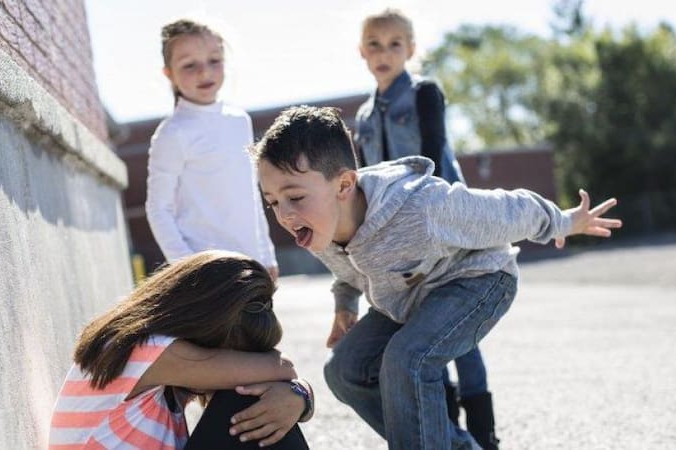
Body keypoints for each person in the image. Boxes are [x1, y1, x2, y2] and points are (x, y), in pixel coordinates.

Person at [251, 106, 622, 450]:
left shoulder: (421, 207)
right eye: (272, 202)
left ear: (344, 186)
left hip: (478, 280)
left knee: (407, 360)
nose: (283, 214)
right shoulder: (320, 225)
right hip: (409, 297)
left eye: (294, 197)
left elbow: (508, 209)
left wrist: (565, 221)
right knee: (345, 371)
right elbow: (348, 271)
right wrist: (344, 305)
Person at [353, 9, 495, 447]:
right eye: (374, 44)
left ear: (411, 49)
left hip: (446, 227)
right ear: (362, 51)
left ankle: (483, 435)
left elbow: (434, 155)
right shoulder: (361, 118)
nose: (384, 52)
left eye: (395, 43)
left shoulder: (423, 94)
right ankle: (447, 429)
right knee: (422, 331)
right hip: (397, 240)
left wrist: (441, 234)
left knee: (459, 333)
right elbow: (365, 182)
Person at [48, 250, 313, 449]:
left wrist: (299, 396)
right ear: (206, 324)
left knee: (261, 400)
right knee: (246, 396)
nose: (233, 362)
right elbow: (283, 368)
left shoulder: (158, 363)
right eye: (234, 354)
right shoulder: (147, 349)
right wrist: (297, 393)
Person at [146, 19, 278, 279]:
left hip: (251, 266)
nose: (204, 72)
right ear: (169, 74)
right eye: (189, 65)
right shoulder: (173, 133)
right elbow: (158, 209)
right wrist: (188, 268)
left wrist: (267, 255)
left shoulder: (240, 121)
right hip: (207, 274)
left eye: (214, 60)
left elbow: (250, 196)